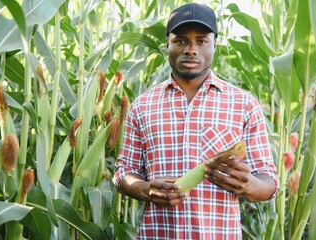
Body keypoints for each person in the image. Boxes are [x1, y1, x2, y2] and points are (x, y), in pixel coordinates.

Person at [112, 2, 279, 239]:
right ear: (167, 44)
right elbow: (123, 172)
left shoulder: (244, 104)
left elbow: (269, 181)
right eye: (180, 40)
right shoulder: (142, 106)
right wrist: (145, 189)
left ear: (214, 45)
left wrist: (249, 184)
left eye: (201, 41)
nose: (191, 49)